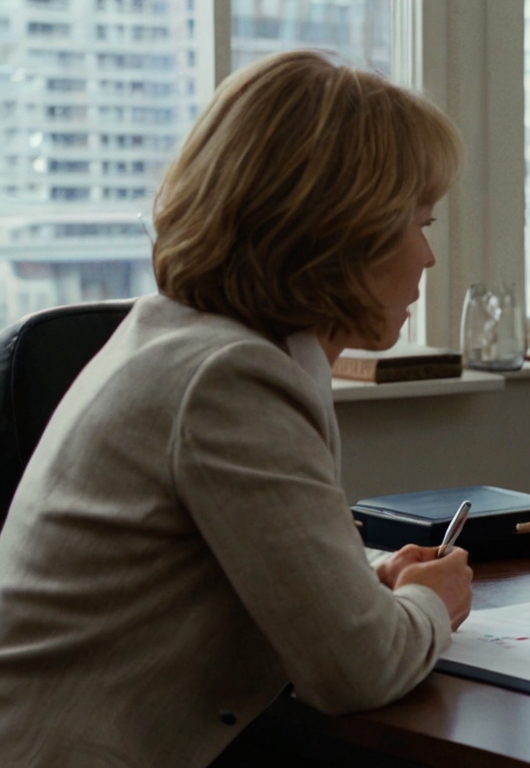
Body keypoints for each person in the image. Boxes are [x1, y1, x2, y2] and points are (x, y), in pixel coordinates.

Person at [0, 51, 471, 767]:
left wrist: (367, 588)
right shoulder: (230, 378)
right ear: (343, 232)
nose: (428, 258)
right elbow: (358, 671)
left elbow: (222, 584)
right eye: (417, 222)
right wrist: (435, 603)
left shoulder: (179, 335)